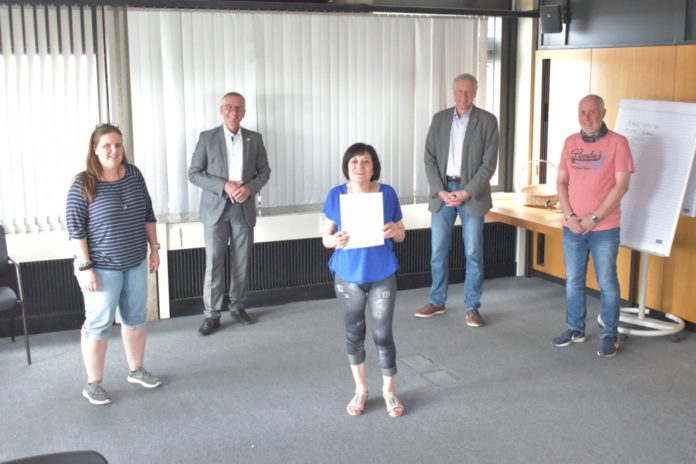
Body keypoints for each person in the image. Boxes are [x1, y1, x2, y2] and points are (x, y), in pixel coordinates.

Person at [66, 124, 162, 406]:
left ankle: (136, 370)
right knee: (98, 325)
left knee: (136, 319)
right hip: (101, 268)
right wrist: (85, 267)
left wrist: (154, 249)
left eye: (117, 145)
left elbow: (148, 214)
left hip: (135, 262)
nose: (113, 150)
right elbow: (76, 230)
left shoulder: (133, 175)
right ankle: (93, 384)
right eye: (106, 145)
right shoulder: (83, 184)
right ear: (95, 149)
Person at [322, 143, 406, 418]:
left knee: (383, 334)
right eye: (354, 161)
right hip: (348, 275)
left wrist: (394, 231)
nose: (359, 166)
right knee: (354, 333)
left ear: (374, 167)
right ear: (347, 167)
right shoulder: (336, 195)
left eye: (365, 161)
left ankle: (389, 391)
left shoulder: (387, 193)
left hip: (382, 272)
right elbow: (325, 238)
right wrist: (334, 240)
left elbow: (401, 234)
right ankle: (361, 390)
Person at [552, 94, 634, 358]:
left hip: (604, 228)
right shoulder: (570, 142)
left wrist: (595, 217)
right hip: (573, 226)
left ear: (603, 113)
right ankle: (575, 329)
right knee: (573, 280)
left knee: (607, 282)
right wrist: (569, 215)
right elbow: (561, 181)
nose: (587, 117)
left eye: (593, 112)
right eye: (582, 112)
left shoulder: (618, 142)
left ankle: (609, 334)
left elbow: (622, 185)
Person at [415, 73, 499, 327]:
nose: (464, 96)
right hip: (442, 193)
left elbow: (488, 164)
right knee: (438, 251)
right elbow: (429, 158)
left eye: (469, 91)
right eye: (460, 91)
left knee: (473, 253)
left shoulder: (487, 121)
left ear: (475, 92)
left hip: (472, 193)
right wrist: (440, 190)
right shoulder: (439, 119)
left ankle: (472, 307)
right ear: (453, 92)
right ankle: (437, 301)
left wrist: (466, 192)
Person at [189, 92, 271, 336]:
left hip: (243, 209)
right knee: (214, 263)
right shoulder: (207, 138)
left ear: (244, 112)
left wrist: (249, 188)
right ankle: (211, 314)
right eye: (228, 107)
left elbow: (264, 172)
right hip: (215, 209)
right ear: (221, 110)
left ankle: (238, 306)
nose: (233, 111)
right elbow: (194, 173)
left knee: (241, 261)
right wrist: (224, 185)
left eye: (238, 107)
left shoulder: (255, 139)